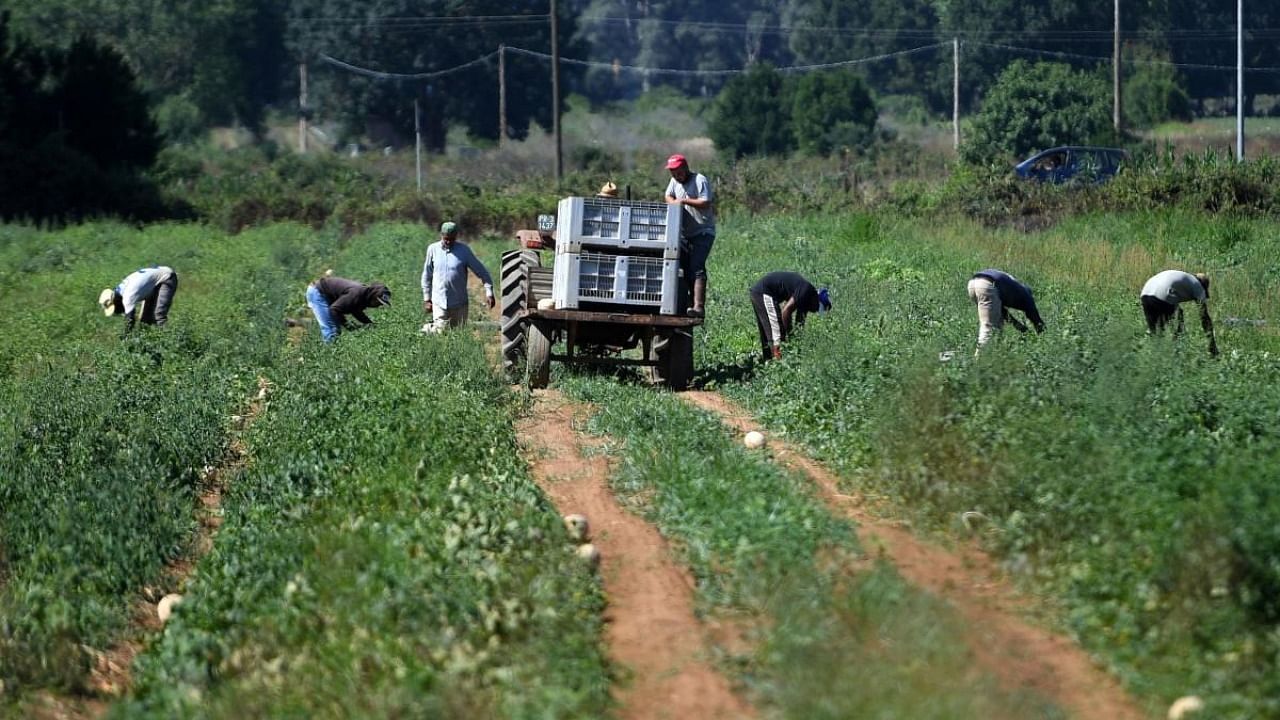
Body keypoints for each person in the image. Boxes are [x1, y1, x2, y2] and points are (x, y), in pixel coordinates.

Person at [664, 153, 715, 317]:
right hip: (686, 234)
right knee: (685, 269)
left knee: (697, 266)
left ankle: (699, 307)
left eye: (678, 172)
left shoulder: (699, 179)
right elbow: (667, 195)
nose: (676, 176)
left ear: (685, 168)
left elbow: (705, 201)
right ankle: (689, 305)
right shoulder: (674, 182)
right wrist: (673, 202)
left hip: (703, 231)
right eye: (673, 173)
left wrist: (684, 201)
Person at [420, 221, 494, 333]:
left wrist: (489, 292)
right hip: (439, 301)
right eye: (446, 239)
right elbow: (427, 274)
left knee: (458, 333)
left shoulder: (464, 251)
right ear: (441, 235)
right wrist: (427, 298)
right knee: (441, 331)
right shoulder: (433, 249)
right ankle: (428, 330)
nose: (448, 241)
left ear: (456, 236)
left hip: (459, 303)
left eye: (452, 239)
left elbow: (481, 271)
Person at [749, 271, 831, 361]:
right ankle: (779, 365)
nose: (815, 311)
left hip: (759, 292)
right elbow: (786, 311)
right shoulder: (806, 290)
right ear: (816, 299)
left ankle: (768, 363)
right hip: (764, 292)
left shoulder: (806, 302)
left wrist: (797, 342)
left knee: (768, 332)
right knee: (778, 335)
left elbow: (799, 323)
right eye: (817, 307)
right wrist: (790, 335)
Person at [1140, 270, 1218, 356]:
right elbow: (1204, 317)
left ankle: (1143, 353)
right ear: (1204, 286)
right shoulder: (1198, 286)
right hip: (1163, 293)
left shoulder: (1185, 278)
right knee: (1178, 326)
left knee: (1155, 333)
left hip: (1146, 292)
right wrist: (1212, 345)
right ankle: (1178, 355)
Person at [967, 268, 1046, 351]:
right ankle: (980, 360)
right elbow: (1037, 321)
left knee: (997, 325)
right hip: (988, 285)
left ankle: (993, 357)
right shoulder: (1027, 297)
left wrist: (1021, 328)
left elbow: (1003, 312)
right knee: (988, 327)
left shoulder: (1013, 289)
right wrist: (1043, 338)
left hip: (973, 284)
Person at [306, 274, 391, 343]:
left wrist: (369, 324)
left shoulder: (364, 296)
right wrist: (348, 326)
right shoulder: (356, 294)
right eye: (378, 302)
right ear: (373, 297)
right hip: (317, 292)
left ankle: (334, 353)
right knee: (332, 330)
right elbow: (334, 309)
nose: (379, 305)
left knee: (335, 330)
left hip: (324, 293)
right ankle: (330, 354)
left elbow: (356, 311)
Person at [97, 265, 179, 333]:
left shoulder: (127, 297)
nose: (118, 311)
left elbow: (130, 320)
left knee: (159, 316)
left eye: (115, 309)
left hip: (167, 277)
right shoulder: (120, 290)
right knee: (145, 321)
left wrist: (125, 337)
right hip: (154, 282)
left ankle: (173, 341)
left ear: (116, 302)